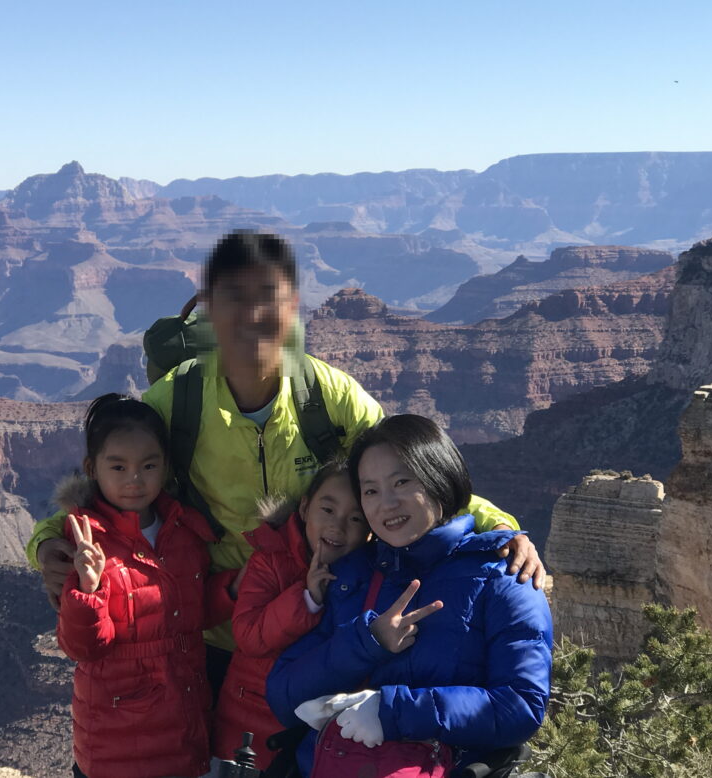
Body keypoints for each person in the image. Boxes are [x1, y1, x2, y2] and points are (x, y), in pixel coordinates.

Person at [27, 230, 544, 693]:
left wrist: (501, 527)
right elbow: (113, 486)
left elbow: (411, 478)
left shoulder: (330, 396)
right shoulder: (176, 399)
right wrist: (48, 541)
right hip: (217, 622)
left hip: (316, 614)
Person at [265, 415, 553, 778]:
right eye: (370, 490)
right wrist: (366, 643)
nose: (385, 504)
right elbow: (282, 696)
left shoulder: (503, 576)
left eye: (401, 482)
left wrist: (392, 711)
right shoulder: (352, 575)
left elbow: (520, 707)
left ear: (439, 477)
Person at [55, 394, 236, 778]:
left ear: (166, 466)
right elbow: (82, 647)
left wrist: (234, 590)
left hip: (186, 729)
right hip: (118, 746)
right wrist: (88, 591)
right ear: (92, 468)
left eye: (148, 465)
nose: (134, 480)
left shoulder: (184, 531)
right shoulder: (88, 540)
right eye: (118, 466)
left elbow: (191, 616)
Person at [213, 459, 369, 769]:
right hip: (251, 726)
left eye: (355, 518)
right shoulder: (270, 559)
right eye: (327, 510)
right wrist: (306, 598)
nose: (337, 526)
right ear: (304, 508)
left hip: (318, 732)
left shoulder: (367, 574)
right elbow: (248, 636)